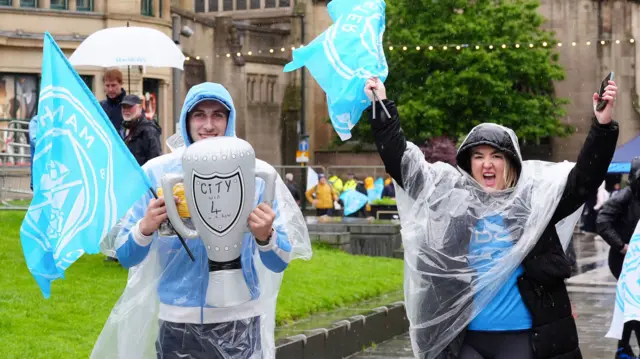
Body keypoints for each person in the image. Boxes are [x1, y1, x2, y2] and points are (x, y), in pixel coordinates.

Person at [364, 77, 619, 359]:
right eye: (478, 156)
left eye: (496, 156)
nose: (487, 164)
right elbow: (403, 165)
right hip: (466, 341)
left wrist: (602, 126)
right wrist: (380, 107)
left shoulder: (534, 203)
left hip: (525, 340)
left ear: (510, 162)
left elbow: (584, 178)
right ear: (468, 163)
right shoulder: (453, 204)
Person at [91, 82, 311, 359]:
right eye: (199, 115)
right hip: (178, 322)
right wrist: (145, 227)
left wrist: (266, 236)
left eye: (218, 115)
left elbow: (280, 261)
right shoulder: (158, 174)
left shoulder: (257, 175)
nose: (208, 124)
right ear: (186, 119)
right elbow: (125, 255)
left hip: (239, 319)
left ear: (230, 120)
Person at [597, 157, 640, 359]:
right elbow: (603, 221)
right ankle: (624, 348)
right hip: (624, 261)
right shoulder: (624, 197)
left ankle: (622, 348)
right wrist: (622, 246)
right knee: (634, 305)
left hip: (636, 261)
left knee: (631, 305)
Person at [121, 94, 163, 166]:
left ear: (140, 108)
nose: (126, 110)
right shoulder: (125, 129)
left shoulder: (149, 131)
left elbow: (156, 160)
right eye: (124, 107)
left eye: (129, 107)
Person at [100, 69, 127, 138]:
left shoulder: (130, 106)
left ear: (121, 84)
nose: (110, 89)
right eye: (107, 85)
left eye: (113, 85)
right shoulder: (100, 106)